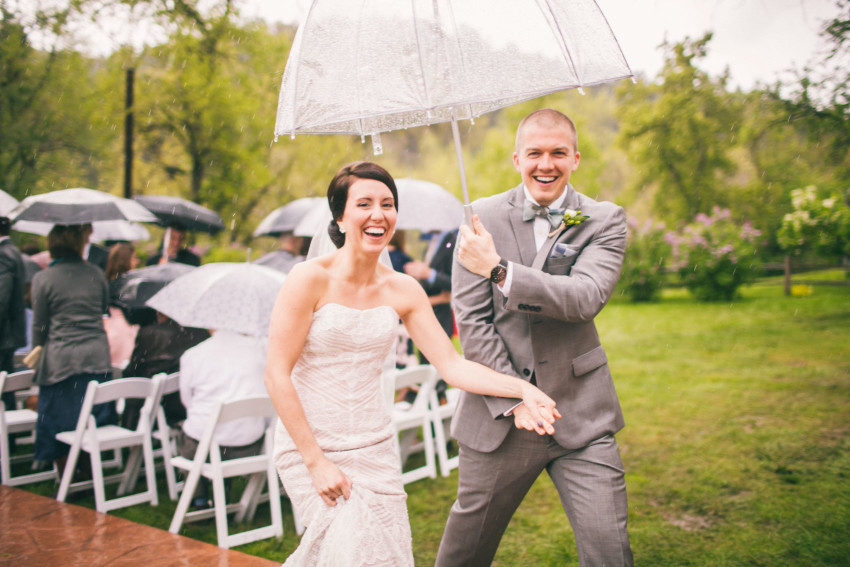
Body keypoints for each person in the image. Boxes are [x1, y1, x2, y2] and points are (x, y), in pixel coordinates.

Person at [265, 161, 560, 567]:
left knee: (383, 555)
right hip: (311, 446)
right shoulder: (307, 280)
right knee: (348, 553)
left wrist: (522, 388)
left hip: (375, 448)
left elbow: (453, 366)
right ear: (340, 216)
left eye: (387, 204)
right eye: (364, 203)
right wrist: (316, 461)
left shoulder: (403, 288)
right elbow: (276, 374)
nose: (378, 214)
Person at [435, 109, 633, 567]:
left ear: (576, 158)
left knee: (610, 550)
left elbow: (584, 297)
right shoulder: (479, 217)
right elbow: (473, 321)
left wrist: (499, 270)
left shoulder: (602, 220)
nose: (546, 164)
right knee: (465, 552)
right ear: (517, 158)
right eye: (536, 153)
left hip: (581, 414)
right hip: (500, 420)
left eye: (558, 153)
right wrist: (515, 396)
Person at [30, 224, 117, 477]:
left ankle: (66, 471)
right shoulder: (96, 274)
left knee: (58, 419)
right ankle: (88, 468)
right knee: (91, 417)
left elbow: (40, 325)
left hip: (61, 360)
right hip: (96, 357)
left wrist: (37, 350)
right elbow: (103, 307)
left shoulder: (43, 279)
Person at [178, 328, 269, 508]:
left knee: (190, 435)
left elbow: (187, 400)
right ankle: (224, 493)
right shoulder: (261, 351)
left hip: (203, 448)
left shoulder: (193, 354)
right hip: (249, 445)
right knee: (212, 434)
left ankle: (199, 498)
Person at [120, 311, 209, 430]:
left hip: (157, 409)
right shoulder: (201, 333)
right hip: (187, 406)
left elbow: (133, 372)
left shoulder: (150, 334)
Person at [0, 217, 27, 411]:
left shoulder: (3, 254)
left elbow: (2, 298)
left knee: (4, 389)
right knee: (5, 389)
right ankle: (9, 436)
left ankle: (8, 435)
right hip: (8, 336)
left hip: (3, 335)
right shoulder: (12, 252)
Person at [103, 243, 140, 366]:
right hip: (123, 332)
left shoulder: (106, 283)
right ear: (125, 260)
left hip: (110, 330)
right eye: (134, 258)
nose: (137, 262)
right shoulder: (127, 285)